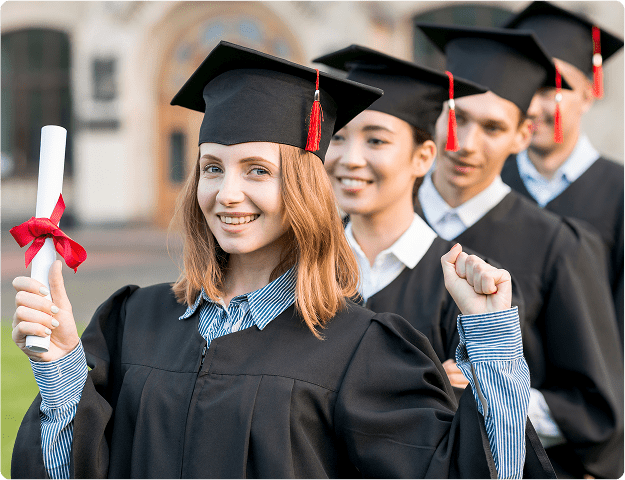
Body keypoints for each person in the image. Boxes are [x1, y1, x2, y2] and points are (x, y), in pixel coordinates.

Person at [10, 41, 553, 480]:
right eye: (213, 168)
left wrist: (490, 333)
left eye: (257, 171)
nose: (226, 194)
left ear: (304, 189)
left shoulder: (360, 350)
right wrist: (60, 366)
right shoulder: (132, 322)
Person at [413, 24, 623, 479]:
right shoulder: (387, 224)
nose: (465, 143)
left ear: (521, 135)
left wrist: (494, 388)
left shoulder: (559, 245)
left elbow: (593, 408)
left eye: (492, 127)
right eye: (457, 118)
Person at [313, 44, 507, 370]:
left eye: (376, 140)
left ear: (423, 157)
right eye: (340, 138)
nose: (350, 160)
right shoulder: (301, 267)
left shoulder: (466, 287)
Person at [500, 1, 625, 350]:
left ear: (587, 95)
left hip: (589, 396)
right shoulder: (489, 187)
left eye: (550, 89)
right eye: (525, 87)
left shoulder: (619, 193)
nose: (533, 107)